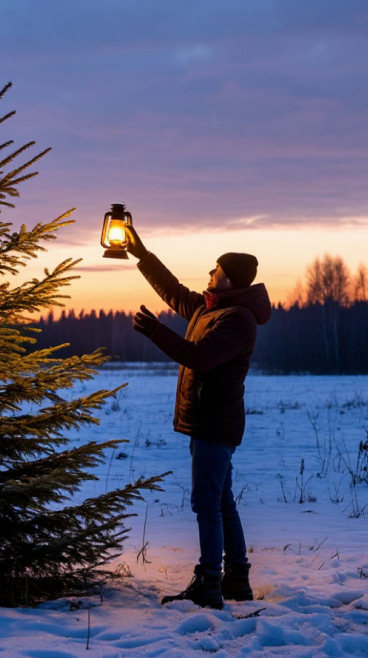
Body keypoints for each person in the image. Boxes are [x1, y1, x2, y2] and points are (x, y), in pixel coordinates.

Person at [125, 224, 271, 609]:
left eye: (214, 270)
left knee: (206, 503)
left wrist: (156, 331)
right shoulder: (214, 308)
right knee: (221, 502)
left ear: (227, 277)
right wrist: (142, 254)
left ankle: (209, 582)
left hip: (214, 423)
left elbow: (200, 357)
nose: (209, 275)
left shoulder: (237, 318)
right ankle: (236, 579)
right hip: (210, 421)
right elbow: (173, 291)